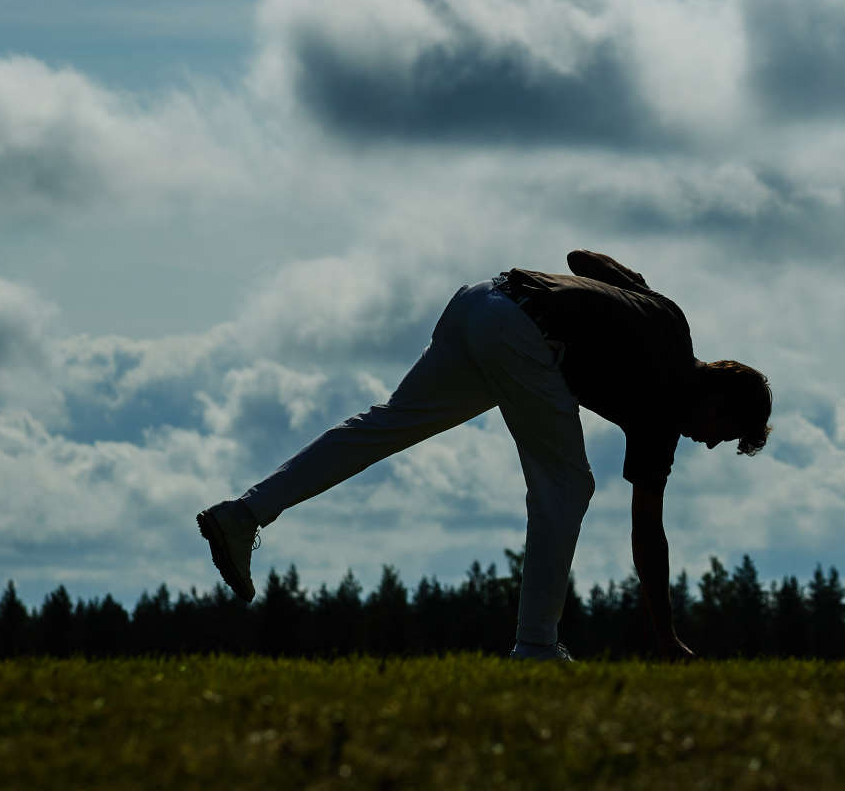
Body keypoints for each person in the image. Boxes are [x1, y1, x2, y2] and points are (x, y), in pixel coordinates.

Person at [196, 249, 772, 661]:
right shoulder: (661, 408)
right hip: (521, 333)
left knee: (386, 425)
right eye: (725, 429)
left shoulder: (670, 317)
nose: (712, 442)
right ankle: (537, 648)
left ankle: (243, 514)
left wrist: (630, 293)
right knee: (568, 486)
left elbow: (580, 259)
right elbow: (648, 531)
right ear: (717, 393)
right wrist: (665, 637)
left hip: (481, 300)